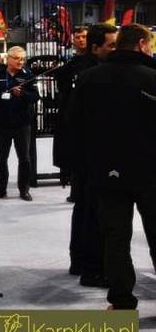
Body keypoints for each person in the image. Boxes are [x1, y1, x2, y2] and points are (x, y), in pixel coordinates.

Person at [70, 24, 156, 310]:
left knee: (115, 240)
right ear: (141, 44)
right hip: (150, 172)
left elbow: (74, 126)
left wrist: (82, 167)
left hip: (106, 172)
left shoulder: (89, 78)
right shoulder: (152, 77)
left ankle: (121, 302)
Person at [62, 23, 117, 285]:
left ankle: (80, 261)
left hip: (83, 153)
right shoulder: (90, 74)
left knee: (85, 207)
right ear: (96, 48)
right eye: (112, 45)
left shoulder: (82, 70)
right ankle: (90, 266)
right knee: (91, 210)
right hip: (89, 154)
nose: (116, 50)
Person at [0, 46, 38, 201]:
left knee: (24, 158)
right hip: (2, 122)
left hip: (22, 123)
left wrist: (23, 93)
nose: (20, 61)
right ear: (8, 59)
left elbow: (35, 96)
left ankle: (24, 189)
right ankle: (1, 189)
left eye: (22, 59)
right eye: (17, 58)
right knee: (1, 158)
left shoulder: (28, 75)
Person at [53, 26, 90, 197]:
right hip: (73, 115)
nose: (81, 40)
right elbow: (63, 90)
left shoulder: (96, 63)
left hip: (91, 117)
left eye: (84, 37)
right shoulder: (69, 66)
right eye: (78, 37)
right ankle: (75, 190)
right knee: (74, 153)